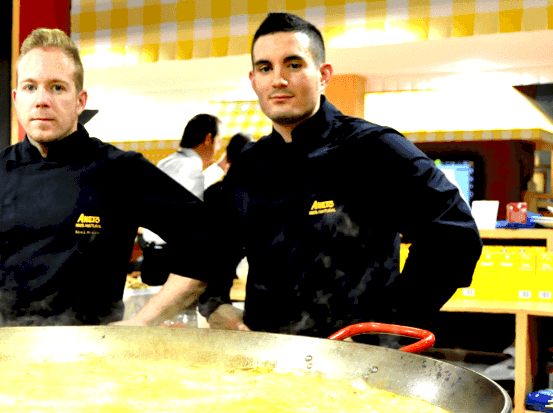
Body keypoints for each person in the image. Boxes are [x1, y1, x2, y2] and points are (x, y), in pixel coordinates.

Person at [124, 12, 482, 339]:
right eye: (265, 68)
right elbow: (214, 250)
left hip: (359, 364)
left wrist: (392, 323)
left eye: (293, 64)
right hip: (267, 363)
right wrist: (216, 305)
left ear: (323, 74)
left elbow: (454, 236)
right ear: (253, 80)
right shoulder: (248, 167)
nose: (278, 79)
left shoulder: (374, 148)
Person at [0, 28, 226, 328]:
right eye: (30, 87)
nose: (41, 100)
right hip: (7, 365)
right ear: (16, 98)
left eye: (57, 87)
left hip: (96, 362)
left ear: (80, 100)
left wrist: (141, 322)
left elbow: (207, 242)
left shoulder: (122, 170)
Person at [139, 114, 222, 286]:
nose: (219, 148)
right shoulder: (191, 169)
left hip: (153, 256)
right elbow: (189, 220)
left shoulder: (168, 162)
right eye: (219, 141)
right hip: (171, 259)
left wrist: (220, 167)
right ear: (209, 139)